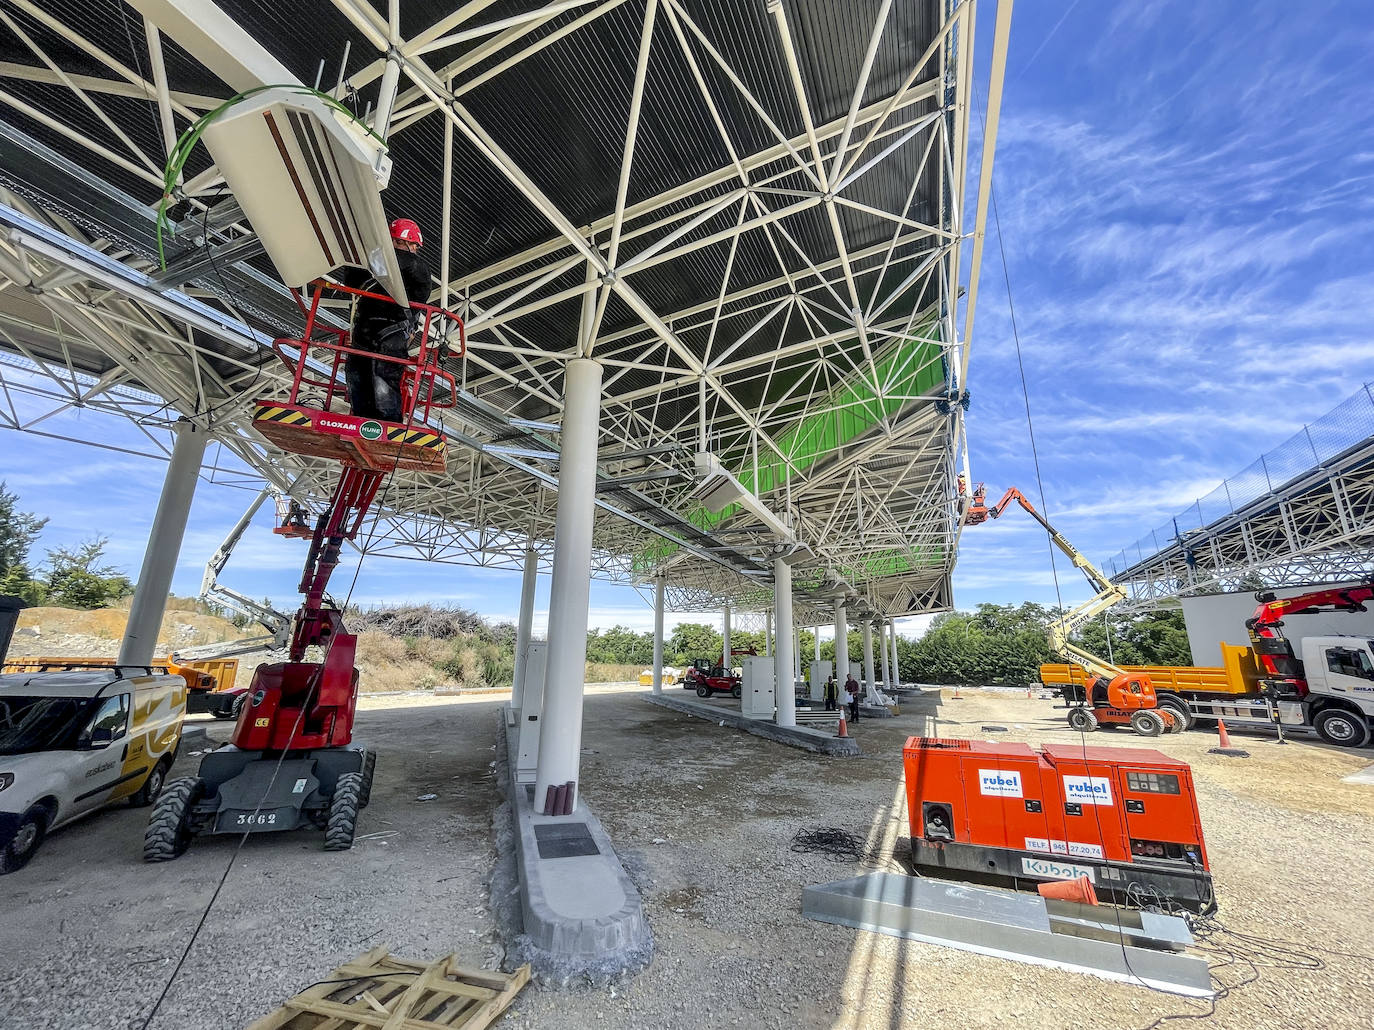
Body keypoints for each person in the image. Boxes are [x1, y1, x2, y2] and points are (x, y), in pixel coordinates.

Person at [339, 217, 431, 421]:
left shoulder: (416, 268)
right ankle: (362, 419)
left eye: (397, 243)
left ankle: (388, 424)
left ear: (412, 245)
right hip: (365, 329)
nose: (394, 248)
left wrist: (373, 255)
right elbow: (351, 278)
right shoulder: (375, 267)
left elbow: (405, 265)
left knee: (383, 377)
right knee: (357, 373)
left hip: (393, 331)